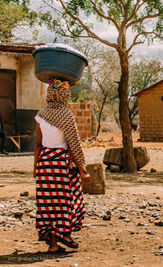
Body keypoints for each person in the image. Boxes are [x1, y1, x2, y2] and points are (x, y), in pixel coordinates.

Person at [33, 79, 90, 253]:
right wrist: (82, 169)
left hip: (45, 163)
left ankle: (53, 244)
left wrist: (35, 168)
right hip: (61, 164)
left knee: (48, 204)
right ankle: (65, 235)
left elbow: (37, 144)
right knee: (69, 200)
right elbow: (73, 144)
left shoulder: (40, 115)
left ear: (50, 94)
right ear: (64, 95)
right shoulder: (66, 115)